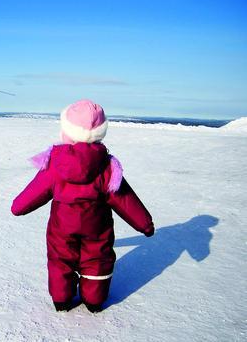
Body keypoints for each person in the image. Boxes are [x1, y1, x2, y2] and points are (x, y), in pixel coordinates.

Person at [11, 99, 154, 313]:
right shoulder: (107, 166)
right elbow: (125, 199)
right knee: (97, 257)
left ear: (66, 131)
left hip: (62, 226)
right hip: (97, 226)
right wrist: (145, 224)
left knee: (60, 258)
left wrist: (18, 207)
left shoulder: (55, 163)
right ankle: (94, 300)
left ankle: (62, 299)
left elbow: (31, 194)